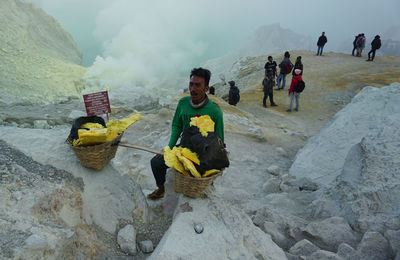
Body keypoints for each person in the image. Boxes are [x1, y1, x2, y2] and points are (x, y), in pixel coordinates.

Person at [147, 67, 224, 200]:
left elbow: (219, 138)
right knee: (156, 162)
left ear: (206, 88)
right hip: (183, 150)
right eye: (191, 84)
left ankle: (207, 189)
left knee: (204, 176)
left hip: (203, 154)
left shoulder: (215, 111)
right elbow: (177, 126)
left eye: (197, 85)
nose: (192, 89)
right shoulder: (183, 103)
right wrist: (170, 147)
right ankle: (161, 189)